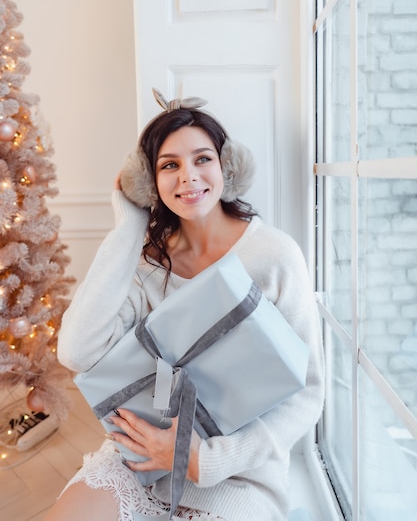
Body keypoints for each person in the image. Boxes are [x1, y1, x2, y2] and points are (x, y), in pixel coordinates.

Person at [45, 89, 325, 521]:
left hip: (238, 472)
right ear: (149, 182)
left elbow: (308, 392)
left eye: (202, 159)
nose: (188, 177)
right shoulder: (147, 266)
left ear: (225, 167)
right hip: (141, 458)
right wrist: (128, 227)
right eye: (169, 166)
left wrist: (206, 459)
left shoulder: (274, 256)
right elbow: (76, 352)